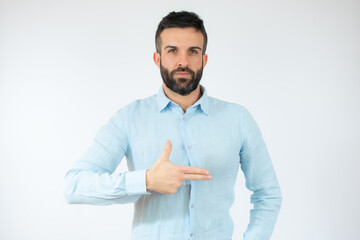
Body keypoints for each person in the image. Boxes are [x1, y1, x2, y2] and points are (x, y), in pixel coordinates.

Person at [64, 11, 282, 240]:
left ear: (204, 59)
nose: (183, 62)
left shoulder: (238, 119)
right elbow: (74, 185)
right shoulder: (128, 119)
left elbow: (268, 194)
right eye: (172, 51)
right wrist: (146, 180)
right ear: (157, 58)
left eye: (193, 52)